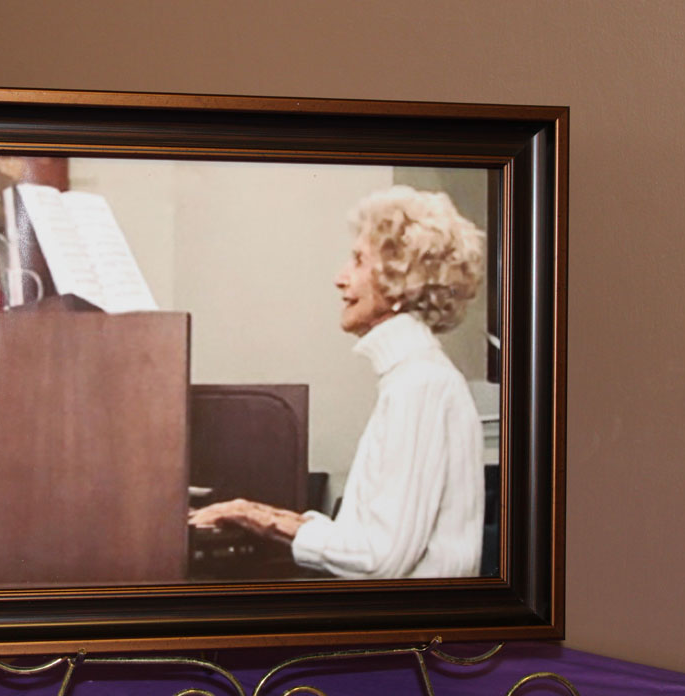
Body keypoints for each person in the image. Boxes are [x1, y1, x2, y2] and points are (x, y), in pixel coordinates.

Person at [189, 185, 486, 579]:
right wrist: (256, 516)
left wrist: (255, 516)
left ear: (402, 284)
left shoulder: (420, 385)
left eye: (359, 261)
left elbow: (380, 559)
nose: (340, 278)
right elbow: (368, 538)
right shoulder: (412, 377)